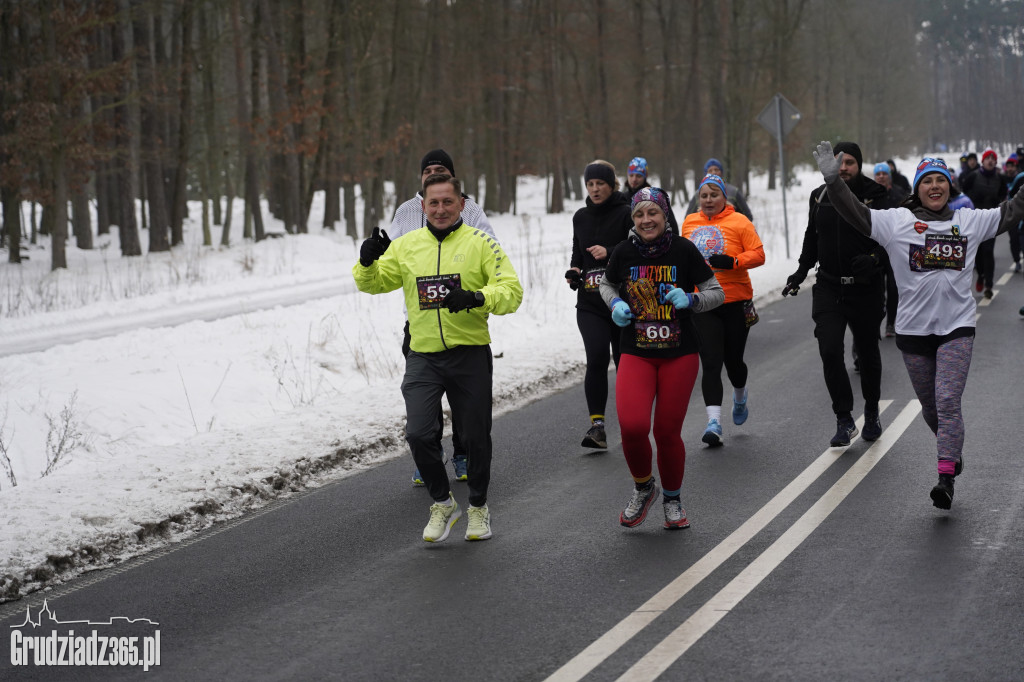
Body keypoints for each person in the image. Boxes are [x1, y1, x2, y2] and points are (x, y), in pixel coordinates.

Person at [811, 142, 1024, 510]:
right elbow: (856, 213)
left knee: (947, 400)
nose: (934, 186)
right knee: (931, 409)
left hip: (956, 329)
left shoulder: (969, 222)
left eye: (940, 180)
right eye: (927, 181)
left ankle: (945, 477)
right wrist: (834, 182)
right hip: (913, 333)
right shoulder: (898, 222)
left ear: (949, 186)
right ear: (918, 188)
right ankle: (951, 447)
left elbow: (1012, 210)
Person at [353, 174, 523, 542]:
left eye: (448, 202)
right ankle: (443, 503)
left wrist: (477, 298)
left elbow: (512, 292)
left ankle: (478, 507)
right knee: (417, 434)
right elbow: (373, 282)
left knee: (475, 437)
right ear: (423, 206)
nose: (441, 209)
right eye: (434, 203)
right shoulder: (407, 245)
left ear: (461, 203)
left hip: (469, 354)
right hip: (423, 356)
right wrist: (366, 262)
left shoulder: (481, 243)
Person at [599, 187, 724, 529]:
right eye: (639, 214)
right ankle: (644, 487)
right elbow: (606, 285)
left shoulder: (683, 250)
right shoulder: (624, 251)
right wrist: (615, 304)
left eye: (652, 212)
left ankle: (672, 499)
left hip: (679, 354)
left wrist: (692, 300)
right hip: (636, 351)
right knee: (632, 427)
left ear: (664, 214)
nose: (646, 220)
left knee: (666, 432)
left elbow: (716, 292)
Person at [390, 149, 498, 486]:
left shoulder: (469, 209)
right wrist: (370, 259)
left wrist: (471, 292)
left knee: (463, 400)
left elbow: (490, 249)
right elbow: (390, 258)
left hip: (461, 317)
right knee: (425, 397)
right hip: (420, 322)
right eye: (427, 170)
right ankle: (430, 457)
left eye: (440, 169)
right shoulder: (406, 211)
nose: (432, 173)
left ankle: (463, 452)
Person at [783, 141, 892, 447]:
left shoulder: (876, 196)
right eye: (839, 162)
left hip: (865, 288)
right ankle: (844, 418)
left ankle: (872, 411)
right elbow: (812, 237)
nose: (843, 168)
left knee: (867, 353)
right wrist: (800, 272)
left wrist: (874, 260)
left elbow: (892, 240)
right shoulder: (819, 196)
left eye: (850, 162)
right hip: (829, 286)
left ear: (859, 165)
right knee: (830, 350)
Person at [680, 173, 765, 446]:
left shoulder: (739, 221)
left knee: (734, 362)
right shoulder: (689, 222)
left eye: (713, 195)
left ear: (724, 198)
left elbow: (759, 254)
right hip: (703, 301)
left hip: (735, 300)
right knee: (711, 361)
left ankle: (740, 395)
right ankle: (714, 423)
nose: (708, 200)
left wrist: (733, 261)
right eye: (703, 195)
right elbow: (682, 259)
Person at [566, 160, 633, 449]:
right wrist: (574, 271)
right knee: (595, 358)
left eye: (600, 184)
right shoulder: (580, 217)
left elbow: (635, 247)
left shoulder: (626, 212)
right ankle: (597, 427)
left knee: (624, 361)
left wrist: (610, 251)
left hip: (621, 301)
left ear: (611, 185)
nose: (594, 189)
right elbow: (577, 252)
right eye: (590, 184)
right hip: (590, 302)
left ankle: (632, 422)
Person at [961, 149, 1006, 298]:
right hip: (975, 220)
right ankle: (981, 275)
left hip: (991, 220)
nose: (990, 161)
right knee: (978, 252)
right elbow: (963, 194)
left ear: (996, 162)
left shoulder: (1000, 178)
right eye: (988, 158)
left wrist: (998, 203)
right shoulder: (973, 176)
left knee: (988, 251)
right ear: (983, 161)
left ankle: (989, 285)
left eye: (993, 159)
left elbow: (1004, 195)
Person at [873, 163, 906, 337]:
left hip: (894, 249)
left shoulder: (899, 195)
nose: (881, 176)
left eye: (884, 174)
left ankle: (891, 323)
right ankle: (876, 323)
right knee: (877, 292)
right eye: (877, 174)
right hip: (875, 250)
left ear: (889, 176)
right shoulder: (869, 196)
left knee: (893, 288)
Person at [685, 158, 753, 221]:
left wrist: (733, 226)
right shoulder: (698, 194)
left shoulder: (733, 191)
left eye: (716, 170)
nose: (713, 172)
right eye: (710, 170)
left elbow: (748, 216)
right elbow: (688, 218)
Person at [624, 156, 679, 231]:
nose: (634, 179)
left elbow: (673, 228)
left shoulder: (656, 197)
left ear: (645, 176)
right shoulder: (623, 198)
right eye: (631, 175)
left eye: (638, 176)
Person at [1003, 154, 1021, 272]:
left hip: (1021, 213)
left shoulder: (1020, 179)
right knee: (1013, 239)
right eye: (1008, 166)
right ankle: (1017, 261)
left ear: (1016, 167)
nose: (1010, 169)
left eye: (1012, 166)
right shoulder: (1002, 179)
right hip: (1009, 214)